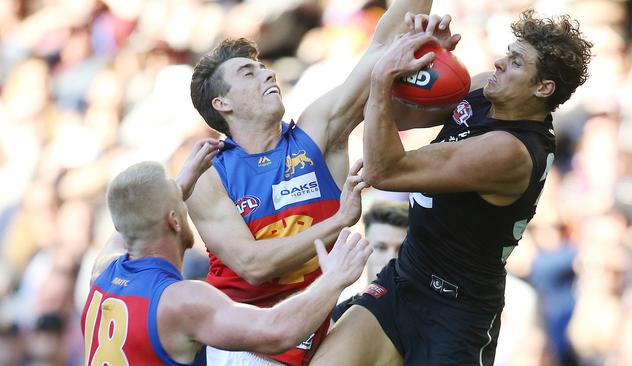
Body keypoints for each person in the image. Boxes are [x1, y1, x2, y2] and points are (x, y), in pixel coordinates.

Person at [312, 10, 593, 366]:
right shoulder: (484, 87)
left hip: (455, 313)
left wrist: (382, 76)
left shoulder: (511, 152)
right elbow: (398, 116)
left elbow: (384, 170)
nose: (499, 62)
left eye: (516, 62)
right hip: (406, 278)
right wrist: (425, 68)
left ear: (543, 88)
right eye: (508, 52)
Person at [181, 1, 436, 365]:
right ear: (222, 103)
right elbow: (253, 266)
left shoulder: (315, 133)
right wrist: (338, 221)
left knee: (392, 320)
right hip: (248, 344)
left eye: (263, 67)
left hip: (317, 333)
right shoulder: (209, 173)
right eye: (248, 73)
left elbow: (380, 47)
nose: (267, 74)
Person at [81, 161, 372, 366]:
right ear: (173, 220)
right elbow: (276, 331)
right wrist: (333, 279)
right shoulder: (179, 300)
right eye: (182, 203)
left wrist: (172, 191)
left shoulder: (102, 274)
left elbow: (130, 223)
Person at [332, 201, 409, 322]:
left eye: (402, 249)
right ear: (363, 249)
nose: (391, 258)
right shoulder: (339, 317)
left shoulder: (434, 316)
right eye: (380, 247)